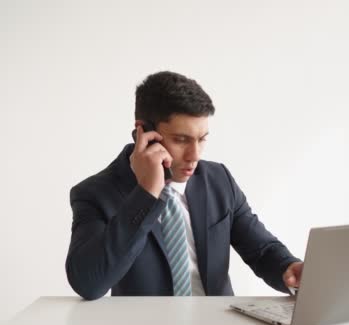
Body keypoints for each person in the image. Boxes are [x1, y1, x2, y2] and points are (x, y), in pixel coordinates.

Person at [65, 71, 303, 300]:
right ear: (143, 133)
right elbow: (89, 283)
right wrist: (146, 193)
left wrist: (289, 268)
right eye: (181, 140)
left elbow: (261, 249)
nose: (194, 155)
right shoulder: (96, 193)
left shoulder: (218, 179)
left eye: (202, 139)